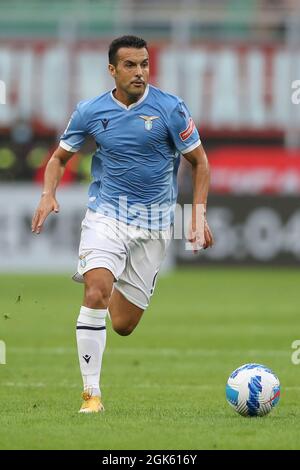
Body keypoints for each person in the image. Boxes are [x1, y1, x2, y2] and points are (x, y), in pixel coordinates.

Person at [31, 35, 214, 413]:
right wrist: (48, 193)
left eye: (145, 64)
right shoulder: (89, 111)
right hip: (107, 215)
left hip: (154, 224)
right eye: (130, 65)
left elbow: (200, 162)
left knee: (124, 324)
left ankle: (109, 282)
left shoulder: (170, 108)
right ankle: (91, 395)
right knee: (95, 291)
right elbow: (58, 159)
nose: (140, 72)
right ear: (112, 70)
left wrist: (197, 214)